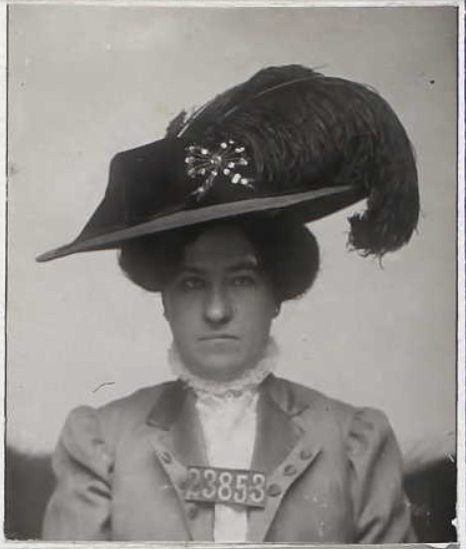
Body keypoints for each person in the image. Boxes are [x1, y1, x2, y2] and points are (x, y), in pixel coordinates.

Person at [38, 64, 420, 542]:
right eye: (192, 284)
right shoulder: (99, 443)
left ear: (279, 292)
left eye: (241, 280)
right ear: (163, 299)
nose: (217, 310)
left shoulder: (355, 443)